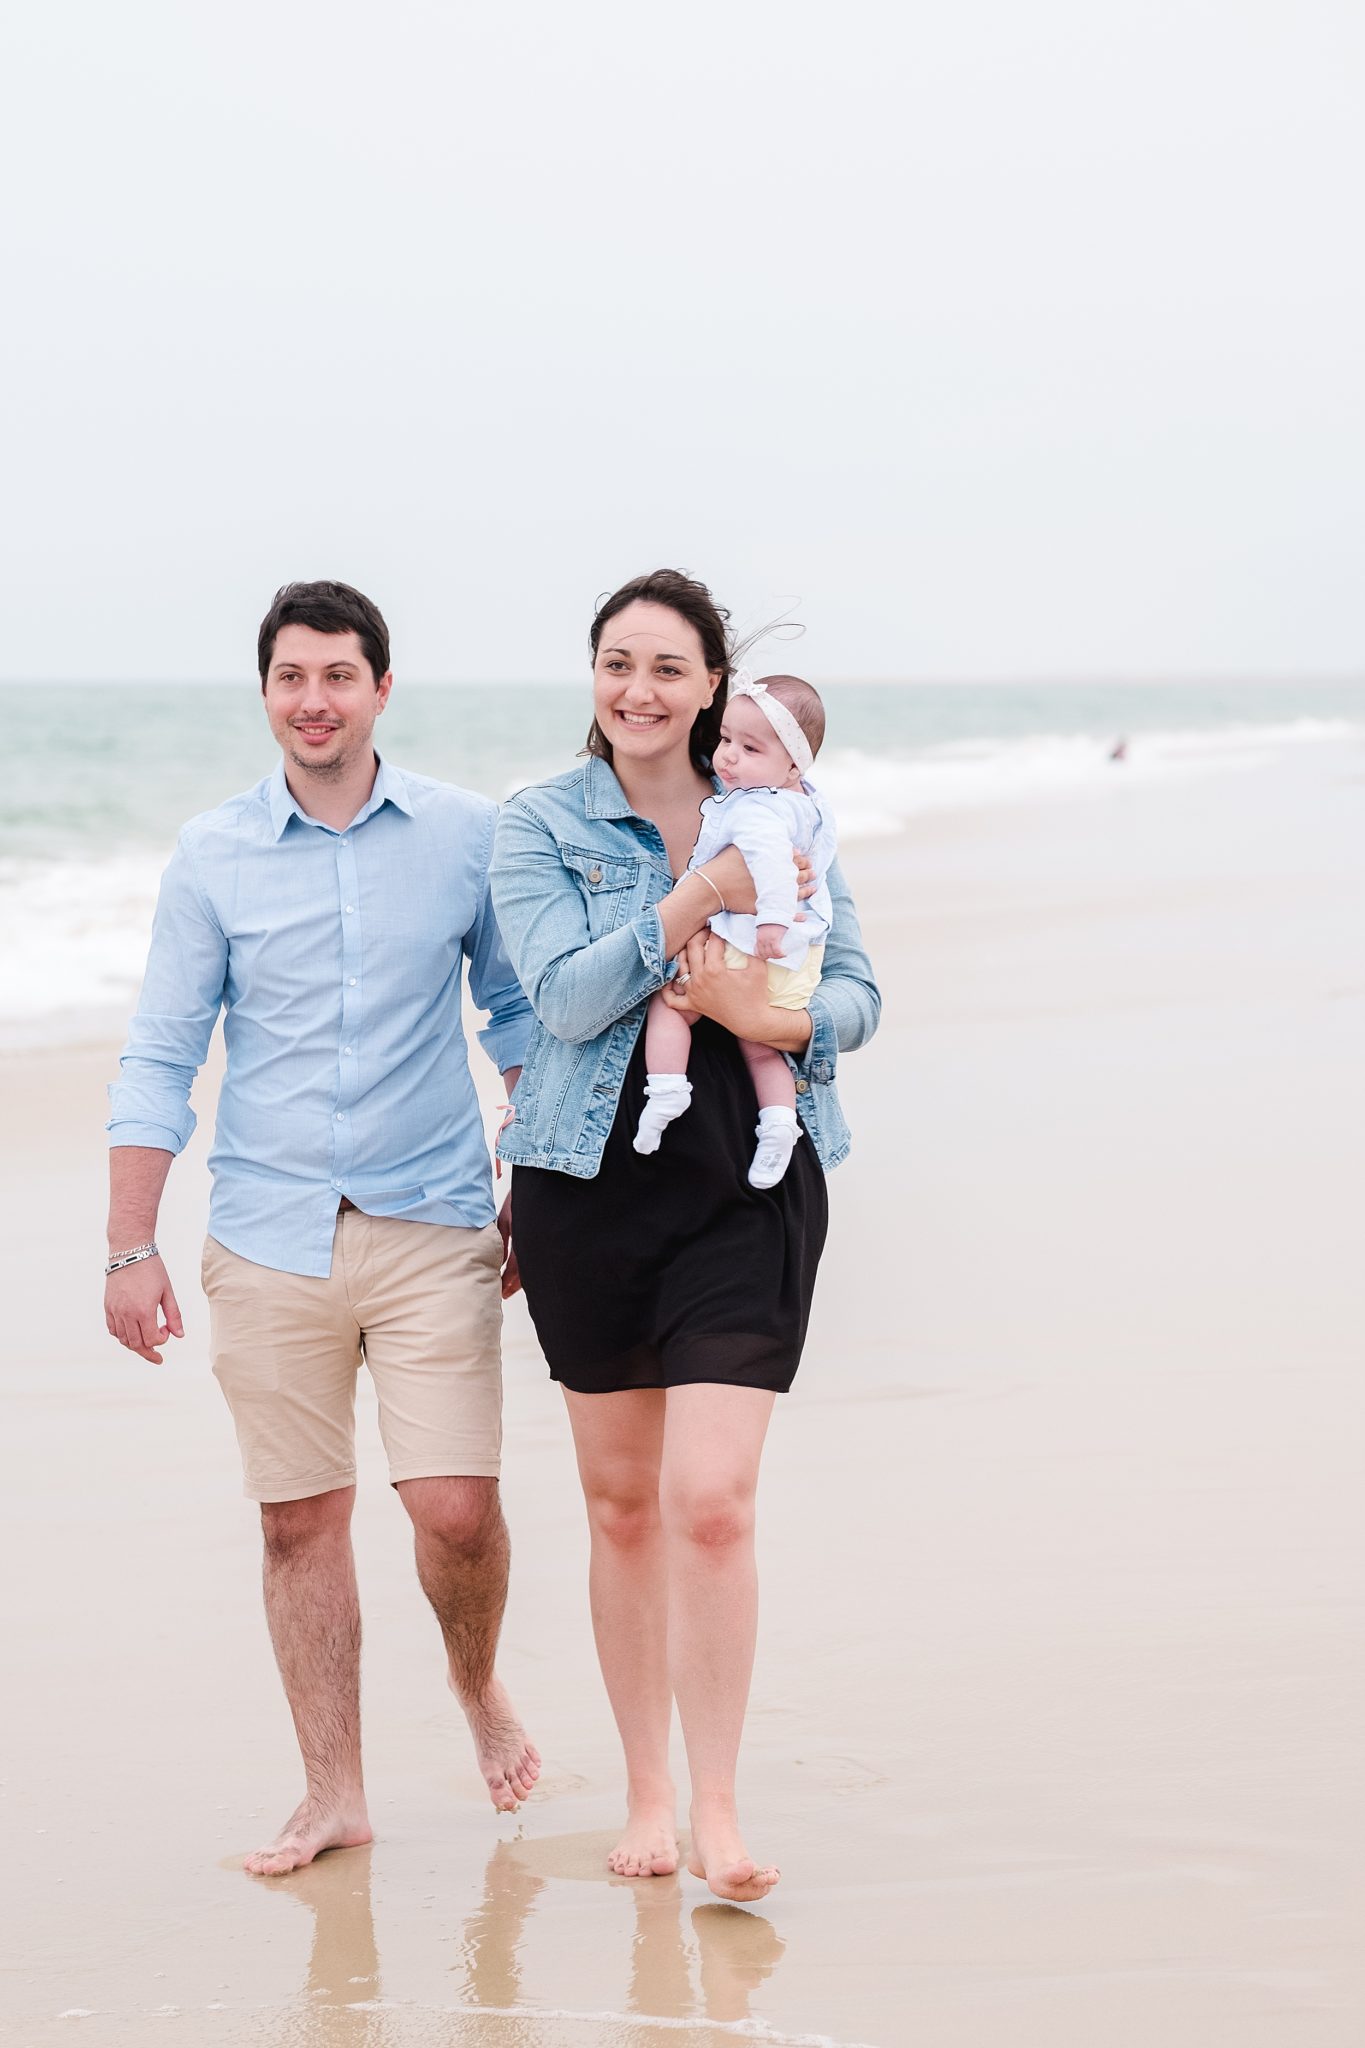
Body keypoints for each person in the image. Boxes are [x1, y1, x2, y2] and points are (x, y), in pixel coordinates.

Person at [104, 579, 540, 1876]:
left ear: (382, 689)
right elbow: (159, 1055)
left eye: (338, 676)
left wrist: (540, 1182)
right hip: (268, 1232)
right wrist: (130, 1247)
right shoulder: (212, 855)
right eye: (292, 677)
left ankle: (476, 1688)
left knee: (455, 1510)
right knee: (299, 1520)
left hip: (433, 1222)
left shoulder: (466, 836)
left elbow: (515, 1019)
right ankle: (334, 1791)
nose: (314, 700)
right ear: (266, 692)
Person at [490, 568, 880, 1902]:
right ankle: (645, 1792)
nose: (638, 691)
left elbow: (860, 993)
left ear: (715, 686)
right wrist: (700, 886)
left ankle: (717, 1808)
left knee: (707, 1503)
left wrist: (785, 1022)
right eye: (615, 662)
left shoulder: (797, 814)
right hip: (588, 1185)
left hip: (749, 1184)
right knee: (618, 1505)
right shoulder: (541, 823)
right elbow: (560, 996)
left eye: (666, 667)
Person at [632, 670, 836, 1189]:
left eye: (749, 748)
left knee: (672, 1003)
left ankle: (667, 1087)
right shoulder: (808, 804)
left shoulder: (756, 809)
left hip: (752, 946)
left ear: (791, 766)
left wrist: (768, 920)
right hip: (795, 956)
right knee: (761, 1045)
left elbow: (770, 865)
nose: (728, 757)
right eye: (726, 740)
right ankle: (779, 1123)